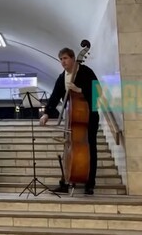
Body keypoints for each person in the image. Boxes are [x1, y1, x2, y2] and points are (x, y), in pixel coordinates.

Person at [39, 47, 100, 195]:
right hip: (72, 117)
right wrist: (46, 113)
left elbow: (98, 92)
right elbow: (54, 96)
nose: (63, 62)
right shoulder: (62, 77)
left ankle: (89, 183)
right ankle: (65, 181)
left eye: (65, 58)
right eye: (61, 59)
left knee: (90, 148)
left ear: (73, 58)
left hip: (89, 116)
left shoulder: (86, 72)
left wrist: (80, 90)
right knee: (68, 148)